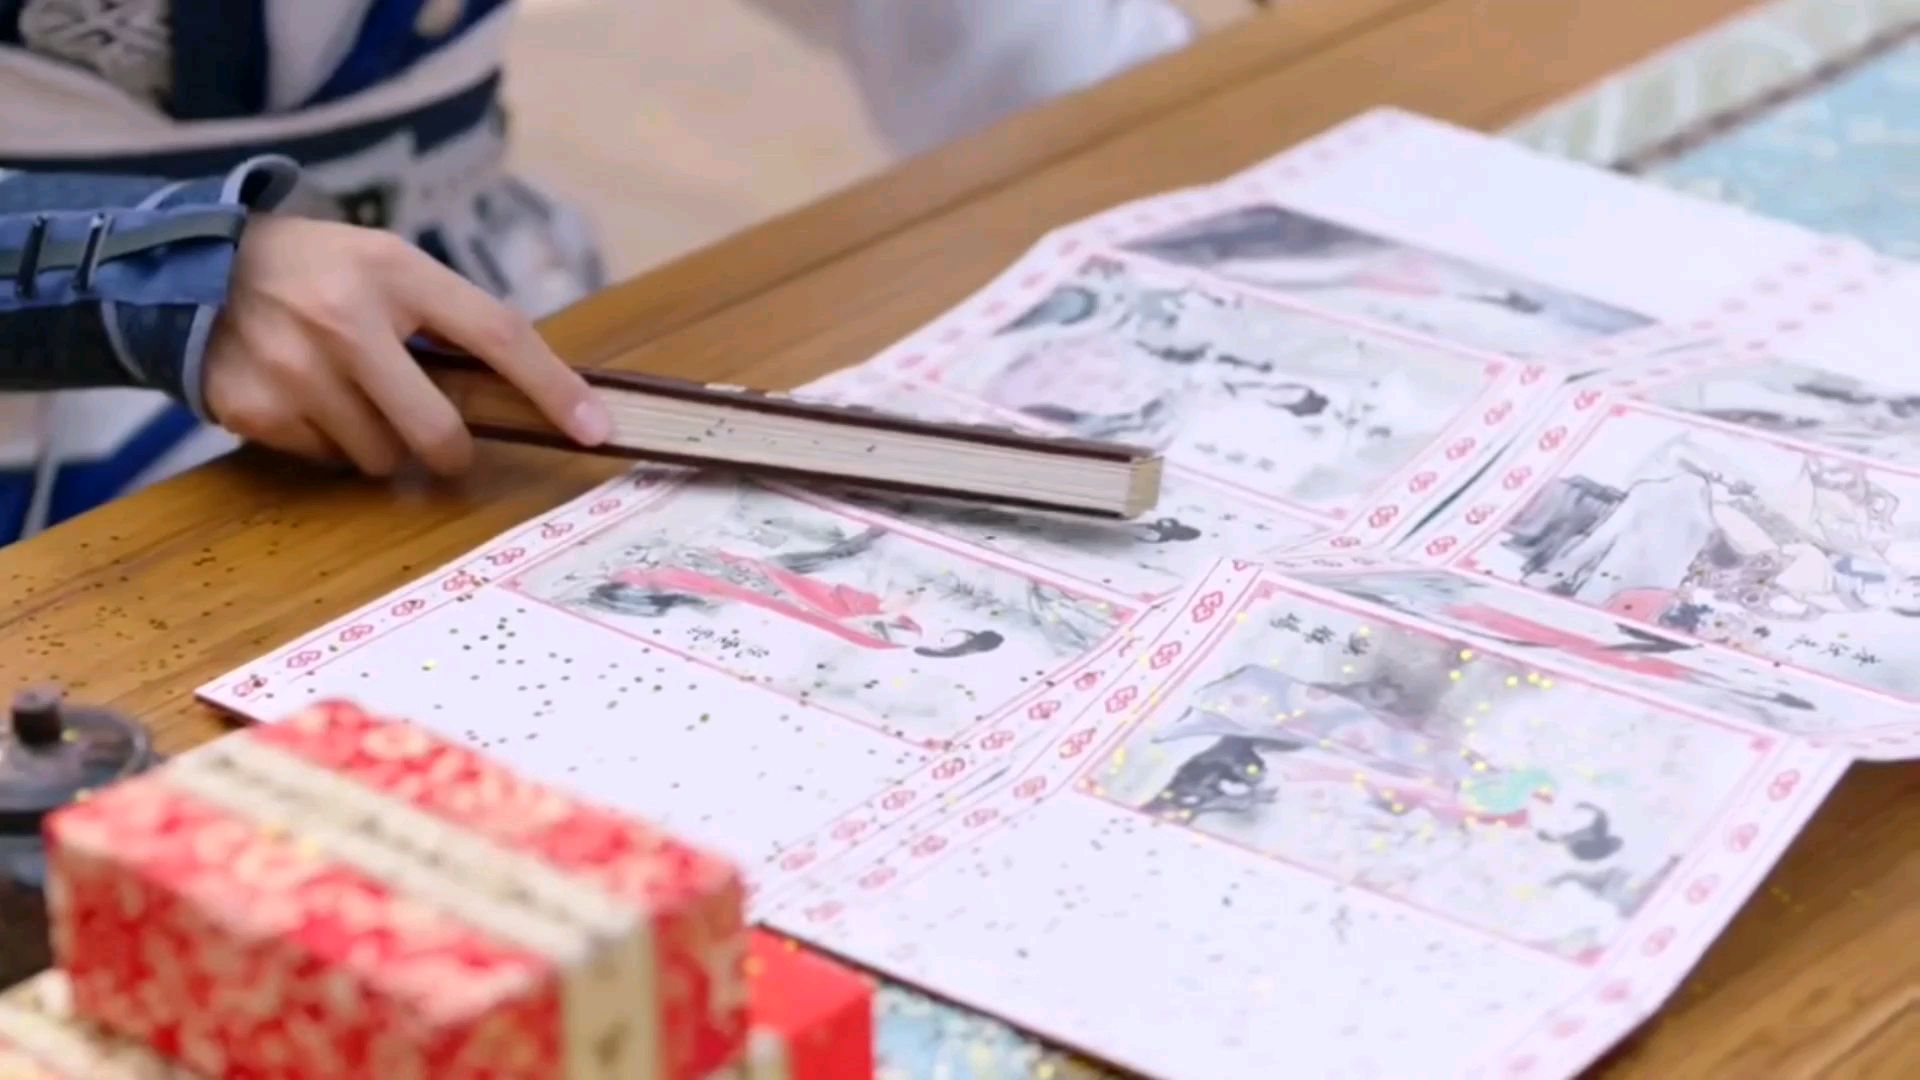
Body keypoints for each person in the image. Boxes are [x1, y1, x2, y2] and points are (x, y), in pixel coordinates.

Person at [0, 0, 1197, 544]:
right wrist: (151, 263)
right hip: (52, 410)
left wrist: (1179, 160)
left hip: (477, 332)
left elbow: (1030, 53)